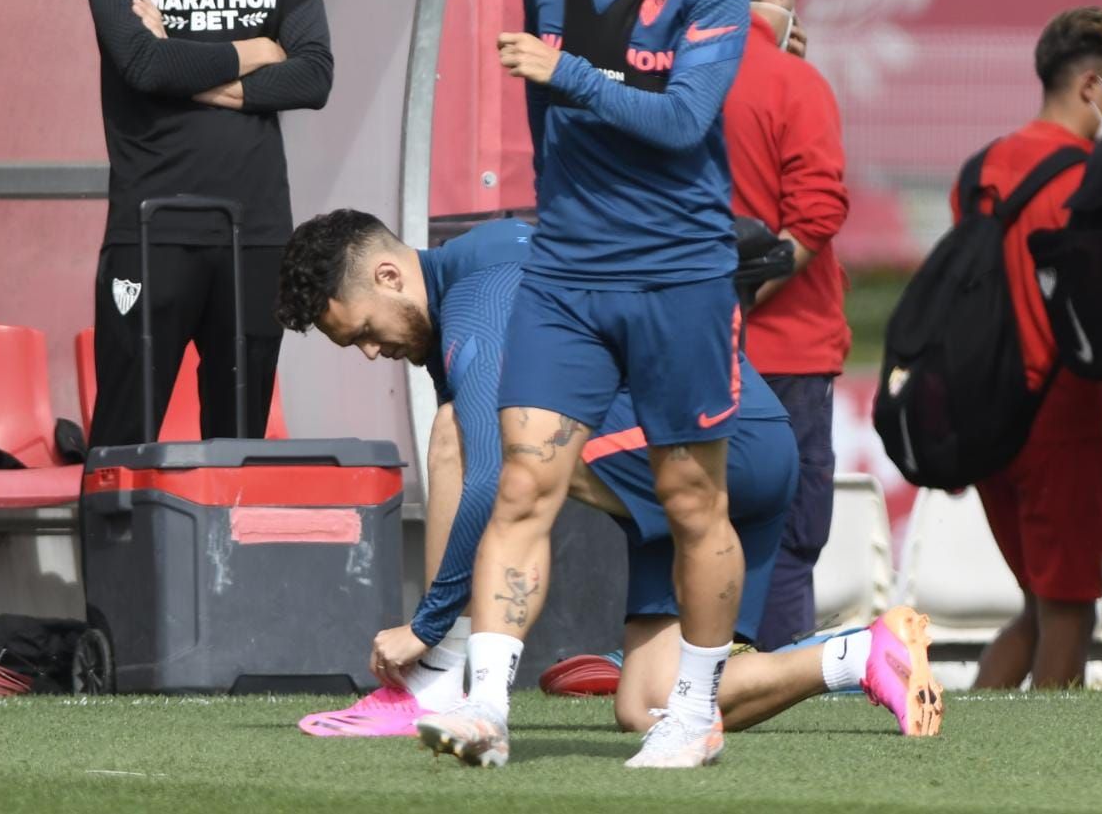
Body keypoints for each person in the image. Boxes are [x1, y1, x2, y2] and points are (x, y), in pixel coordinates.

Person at [277, 210, 943, 752]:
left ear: (389, 275)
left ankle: (440, 677)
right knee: (648, 704)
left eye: (364, 331)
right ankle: (859, 656)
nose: (373, 351)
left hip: (725, 446)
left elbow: (490, 479)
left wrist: (425, 627)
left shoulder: (480, 299)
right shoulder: (470, 281)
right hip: (725, 448)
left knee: (469, 435)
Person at [418, 0, 750, 768]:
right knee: (522, 480)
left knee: (690, 499)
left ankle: (693, 713)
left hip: (679, 275)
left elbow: (682, 121)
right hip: (565, 271)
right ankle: (486, 708)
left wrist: (567, 73)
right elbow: (554, 124)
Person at [82, 0, 332, 447]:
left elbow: (313, 75)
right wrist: (254, 49)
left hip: (256, 233)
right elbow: (142, 64)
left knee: (239, 449)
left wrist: (188, 67)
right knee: (123, 446)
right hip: (152, 228)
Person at [957, 8, 1102, 689]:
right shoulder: (1090, 178)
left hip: (986, 416)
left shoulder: (980, 169)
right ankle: (1051, 753)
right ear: (1090, 86)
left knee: (1037, 610)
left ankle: (959, 738)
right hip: (1060, 416)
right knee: (1068, 613)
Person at [717, 0, 850, 650]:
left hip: (693, 348)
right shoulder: (796, 83)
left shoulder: (677, 76)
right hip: (788, 352)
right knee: (789, 539)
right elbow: (817, 212)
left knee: (695, 522)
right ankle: (778, 683)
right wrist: (748, 295)